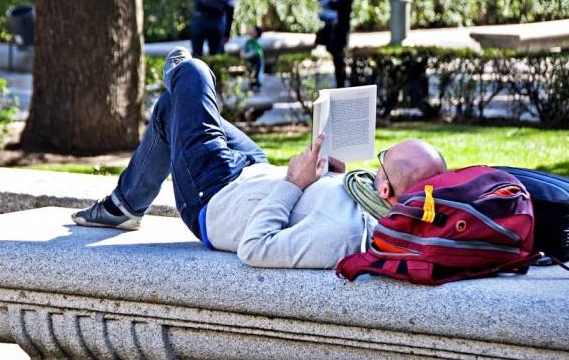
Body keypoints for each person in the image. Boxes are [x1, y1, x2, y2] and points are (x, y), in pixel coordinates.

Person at [72, 49, 448, 268]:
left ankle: (124, 203)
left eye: (381, 160)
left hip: (213, 195)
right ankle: (125, 205)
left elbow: (256, 248)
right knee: (174, 110)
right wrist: (332, 175)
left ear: (385, 188)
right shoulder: (378, 205)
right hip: (253, 171)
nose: (375, 165)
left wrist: (294, 183)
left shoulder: (344, 235)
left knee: (190, 74)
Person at [315, 0, 354, 88]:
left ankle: (341, 83)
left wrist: (328, 2)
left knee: (339, 56)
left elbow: (339, 7)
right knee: (335, 55)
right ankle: (339, 81)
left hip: (340, 31)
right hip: (331, 30)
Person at [240, 25, 264, 91]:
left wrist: (246, 55)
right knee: (249, 72)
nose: (249, 30)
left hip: (257, 61)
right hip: (250, 61)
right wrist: (242, 53)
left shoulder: (256, 42)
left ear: (256, 33)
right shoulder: (248, 41)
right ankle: (251, 85)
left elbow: (257, 52)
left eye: (252, 29)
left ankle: (257, 86)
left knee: (256, 73)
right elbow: (243, 48)